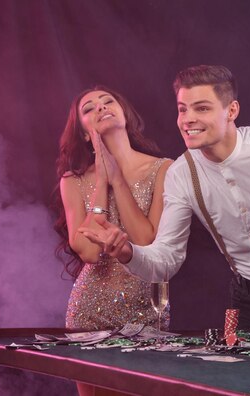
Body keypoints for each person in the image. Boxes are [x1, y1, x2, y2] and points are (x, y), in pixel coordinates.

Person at [81, 65, 250, 335]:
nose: (187, 119)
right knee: (241, 376)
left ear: (231, 111)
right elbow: (166, 258)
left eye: (201, 108)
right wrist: (127, 252)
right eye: (182, 109)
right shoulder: (182, 174)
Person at [54, 86, 172, 330]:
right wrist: (101, 182)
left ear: (125, 116)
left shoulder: (162, 169)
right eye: (89, 108)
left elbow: (147, 242)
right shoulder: (72, 181)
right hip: (89, 312)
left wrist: (117, 181)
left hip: (148, 310)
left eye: (108, 101)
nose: (100, 106)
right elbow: (89, 253)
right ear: (85, 134)